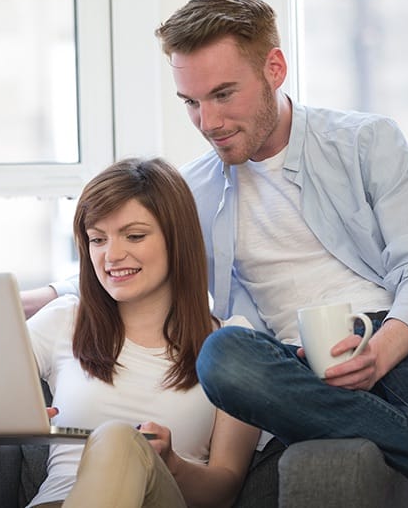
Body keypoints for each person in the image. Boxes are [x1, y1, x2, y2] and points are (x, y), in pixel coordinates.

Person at [25, 0, 408, 507]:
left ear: (274, 68)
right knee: (223, 356)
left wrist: (381, 351)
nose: (207, 122)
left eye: (222, 94)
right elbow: (119, 252)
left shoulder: (365, 142)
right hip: (300, 367)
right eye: (191, 103)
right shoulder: (191, 190)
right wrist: (22, 299)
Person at [24, 157, 259, 508]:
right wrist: (9, 419)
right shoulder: (63, 321)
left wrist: (172, 465)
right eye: (97, 239)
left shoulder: (232, 345)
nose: (112, 255)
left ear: (176, 240)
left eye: (134, 236)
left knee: (119, 438)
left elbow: (224, 489)